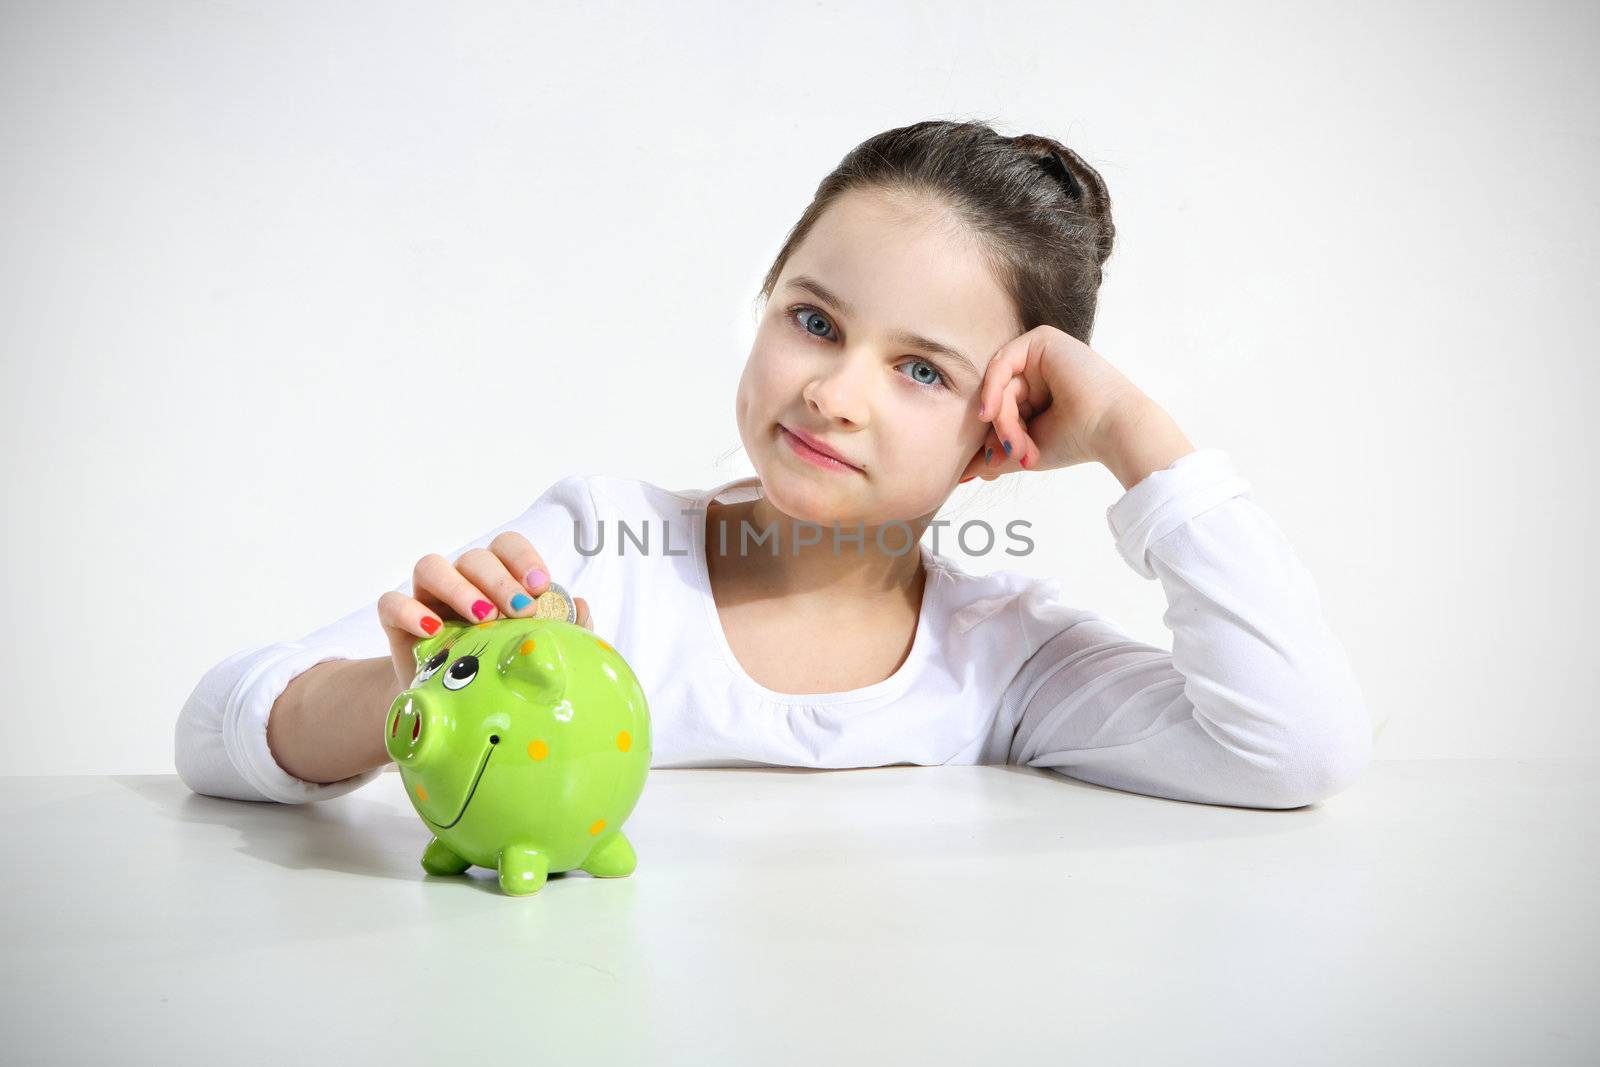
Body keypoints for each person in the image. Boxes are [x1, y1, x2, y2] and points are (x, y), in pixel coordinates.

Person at [175, 119, 1371, 810]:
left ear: (1003, 429)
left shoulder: (1004, 664)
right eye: (813, 318)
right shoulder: (597, 555)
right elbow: (214, 728)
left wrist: (1133, 433)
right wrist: (403, 699)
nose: (832, 391)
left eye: (922, 371)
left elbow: (1291, 745)